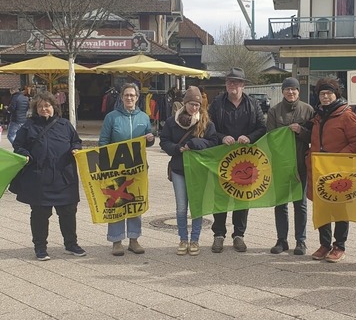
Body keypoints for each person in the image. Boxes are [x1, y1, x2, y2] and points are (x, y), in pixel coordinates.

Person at [11, 91, 86, 261]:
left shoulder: (65, 125)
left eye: (47, 106)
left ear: (54, 107)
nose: (44, 109)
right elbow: (18, 145)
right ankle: (40, 247)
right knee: (39, 214)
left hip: (64, 177)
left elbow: (76, 141)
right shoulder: (28, 126)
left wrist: (76, 148)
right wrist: (25, 154)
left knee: (68, 212)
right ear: (36, 109)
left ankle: (71, 244)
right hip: (39, 178)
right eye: (40, 106)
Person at [208, 67, 267, 253]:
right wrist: (221, 137)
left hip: (245, 160)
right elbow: (208, 128)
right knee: (221, 197)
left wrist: (249, 137)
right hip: (222, 157)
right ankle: (218, 235)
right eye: (229, 82)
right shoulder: (217, 103)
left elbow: (262, 127)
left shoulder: (253, 104)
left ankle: (239, 235)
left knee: (242, 197)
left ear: (243, 85)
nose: (232, 85)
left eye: (236, 82)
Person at [307, 77, 356, 262]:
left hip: (339, 170)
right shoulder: (318, 115)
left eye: (329, 93)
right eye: (322, 94)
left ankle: (339, 245)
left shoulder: (347, 114)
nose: (325, 97)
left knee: (340, 209)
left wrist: (337, 159)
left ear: (336, 94)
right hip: (319, 169)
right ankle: (324, 244)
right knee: (322, 207)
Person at [160, 86, 218, 256]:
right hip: (179, 169)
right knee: (181, 208)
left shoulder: (206, 123)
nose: (194, 108)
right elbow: (164, 141)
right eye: (192, 104)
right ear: (185, 103)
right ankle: (183, 239)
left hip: (198, 170)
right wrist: (177, 148)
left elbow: (213, 142)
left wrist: (194, 144)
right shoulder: (172, 122)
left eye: (197, 105)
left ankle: (195, 240)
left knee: (197, 207)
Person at [99, 83, 155, 256]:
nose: (129, 98)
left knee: (135, 201)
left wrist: (151, 139)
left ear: (137, 98)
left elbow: (149, 140)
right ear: (121, 97)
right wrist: (106, 164)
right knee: (117, 202)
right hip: (117, 168)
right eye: (126, 95)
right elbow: (103, 141)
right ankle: (116, 240)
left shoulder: (144, 117)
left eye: (132, 95)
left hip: (137, 167)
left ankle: (134, 239)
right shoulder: (112, 117)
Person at [266, 77, 314, 256]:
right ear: (282, 92)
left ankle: (301, 241)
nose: (290, 92)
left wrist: (301, 131)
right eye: (287, 90)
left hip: (300, 164)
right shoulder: (274, 111)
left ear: (298, 92)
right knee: (280, 204)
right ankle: (281, 240)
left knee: (300, 203)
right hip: (280, 165)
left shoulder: (308, 110)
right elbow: (270, 137)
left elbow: (313, 137)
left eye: (294, 89)